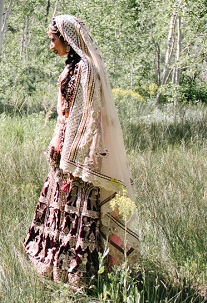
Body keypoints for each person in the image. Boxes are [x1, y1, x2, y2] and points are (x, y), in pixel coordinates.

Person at [24, 15, 140, 288]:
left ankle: (78, 274)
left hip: (76, 154)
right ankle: (55, 266)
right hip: (63, 151)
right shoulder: (73, 66)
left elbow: (85, 115)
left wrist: (70, 151)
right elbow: (65, 113)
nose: (51, 47)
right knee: (61, 208)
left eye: (53, 40)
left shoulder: (85, 69)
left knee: (77, 209)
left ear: (67, 38)